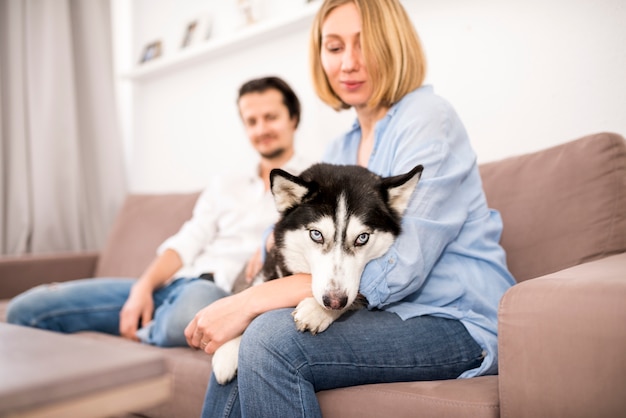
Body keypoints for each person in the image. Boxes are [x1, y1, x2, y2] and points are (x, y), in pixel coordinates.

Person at [188, 0, 517, 417]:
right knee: (244, 347)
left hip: (455, 318)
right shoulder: (341, 148)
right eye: (335, 47)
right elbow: (305, 228)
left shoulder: (429, 119)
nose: (349, 63)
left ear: (393, 43)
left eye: (365, 44)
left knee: (270, 338)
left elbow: (400, 266)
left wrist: (249, 302)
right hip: (386, 315)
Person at [6, 76, 311, 347]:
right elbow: (190, 238)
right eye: (251, 121)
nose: (261, 129)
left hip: (216, 294)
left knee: (187, 318)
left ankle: (147, 332)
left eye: (270, 117)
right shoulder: (225, 184)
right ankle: (150, 322)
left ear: (293, 118)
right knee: (28, 309)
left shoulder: (313, 188)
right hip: (174, 284)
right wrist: (143, 286)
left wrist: (273, 234)